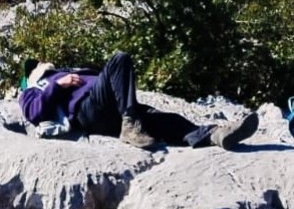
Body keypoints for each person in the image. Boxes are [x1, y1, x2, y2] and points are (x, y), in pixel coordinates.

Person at [18, 52, 259, 150]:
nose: (41, 64)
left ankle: (214, 135)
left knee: (167, 120)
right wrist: (58, 85)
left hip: (114, 113)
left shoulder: (72, 70)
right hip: (88, 109)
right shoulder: (34, 88)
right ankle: (130, 124)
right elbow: (33, 112)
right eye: (35, 66)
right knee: (119, 59)